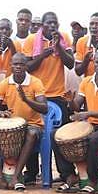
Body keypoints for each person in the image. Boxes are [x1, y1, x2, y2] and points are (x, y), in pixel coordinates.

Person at [54, 49, 98, 194]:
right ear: (93, 62)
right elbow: (77, 106)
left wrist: (89, 113)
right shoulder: (86, 81)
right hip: (91, 125)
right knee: (56, 135)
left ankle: (94, 179)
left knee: (94, 139)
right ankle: (69, 175)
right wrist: (70, 101)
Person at [23, 11, 75, 184]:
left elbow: (70, 63)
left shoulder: (64, 37)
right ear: (42, 25)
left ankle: (66, 173)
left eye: (55, 23)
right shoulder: (32, 40)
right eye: (49, 23)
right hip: (37, 95)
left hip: (57, 95)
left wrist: (58, 47)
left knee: (60, 137)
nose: (52, 26)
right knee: (32, 131)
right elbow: (27, 67)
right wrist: (42, 56)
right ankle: (31, 173)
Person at [0, 53, 47, 190]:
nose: (18, 67)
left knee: (30, 134)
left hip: (33, 124)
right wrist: (1, 113)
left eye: (21, 64)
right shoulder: (5, 83)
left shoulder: (35, 82)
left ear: (26, 66)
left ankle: (15, 176)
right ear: (11, 66)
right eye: (15, 64)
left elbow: (45, 108)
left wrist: (26, 100)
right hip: (12, 125)